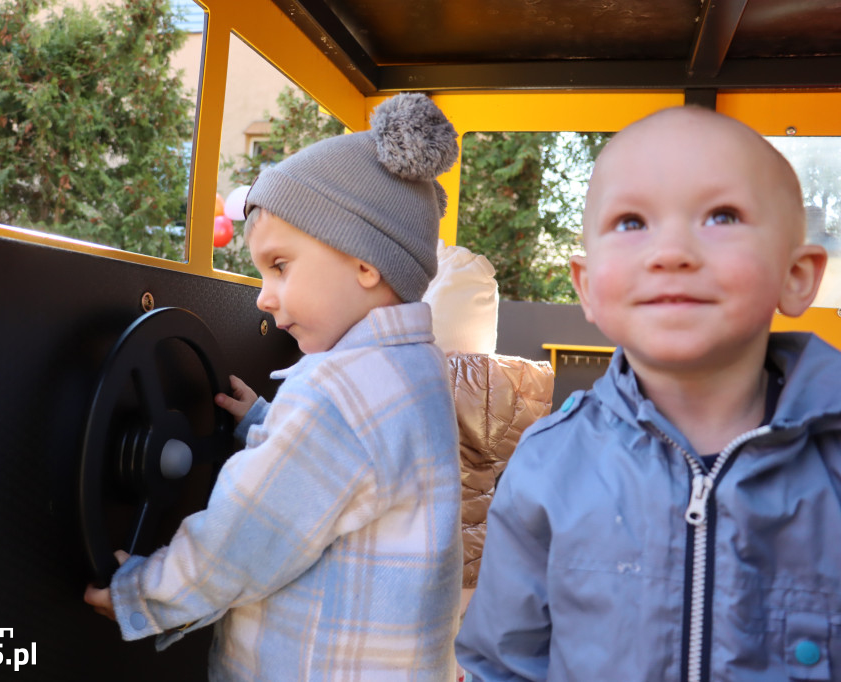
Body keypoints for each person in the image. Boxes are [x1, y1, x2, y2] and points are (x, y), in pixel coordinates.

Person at [85, 93, 464, 680]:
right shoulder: (417, 369)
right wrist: (266, 420)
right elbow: (354, 469)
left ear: (367, 262)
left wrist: (146, 593)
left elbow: (248, 535)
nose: (264, 295)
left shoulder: (336, 390)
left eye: (280, 266)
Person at [455, 106, 841, 681]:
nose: (672, 252)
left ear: (797, 275)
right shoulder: (547, 463)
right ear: (586, 288)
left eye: (722, 215)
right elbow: (502, 662)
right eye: (632, 222)